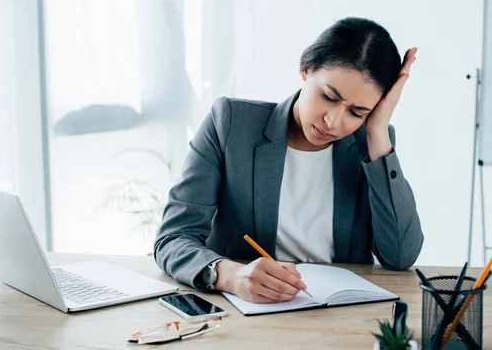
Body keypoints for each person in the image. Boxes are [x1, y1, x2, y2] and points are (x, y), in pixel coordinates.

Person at [154, 17, 424, 304]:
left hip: (341, 314)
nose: (333, 122)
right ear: (306, 70)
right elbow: (173, 238)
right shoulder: (231, 124)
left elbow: (400, 256)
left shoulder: (371, 143)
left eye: (357, 113)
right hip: (246, 311)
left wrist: (378, 133)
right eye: (329, 96)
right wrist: (231, 275)